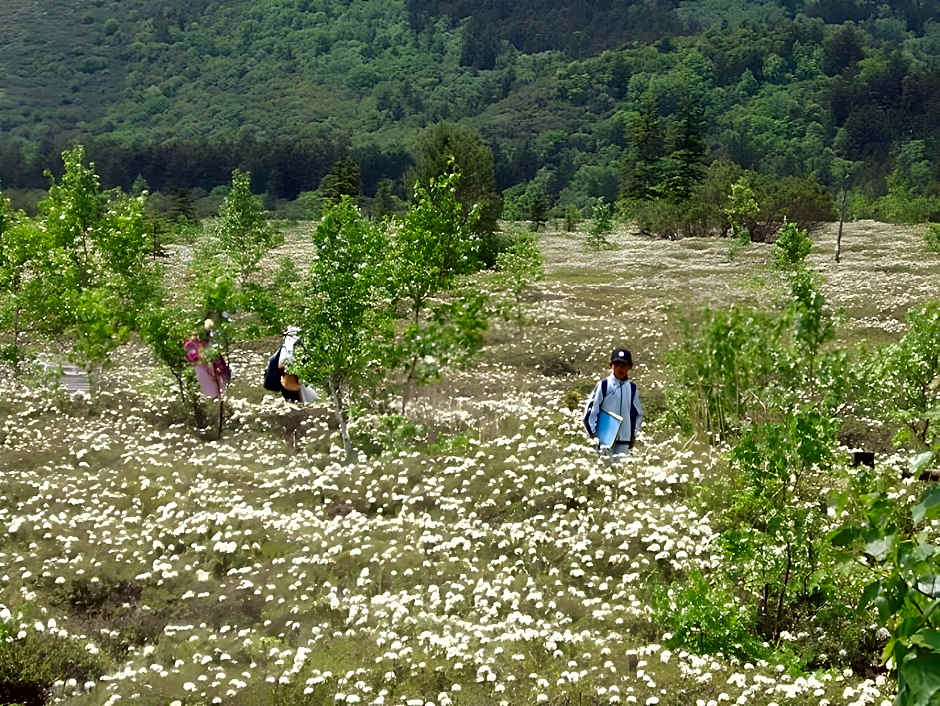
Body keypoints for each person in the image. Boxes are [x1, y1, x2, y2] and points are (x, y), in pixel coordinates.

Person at [583, 347, 643, 455]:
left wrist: (633, 435)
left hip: (623, 442)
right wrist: (594, 435)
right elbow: (591, 411)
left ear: (630, 367)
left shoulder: (632, 388)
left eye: (624, 365)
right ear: (611, 365)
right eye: (617, 364)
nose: (620, 368)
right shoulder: (604, 385)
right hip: (604, 441)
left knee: (621, 471)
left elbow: (637, 414)